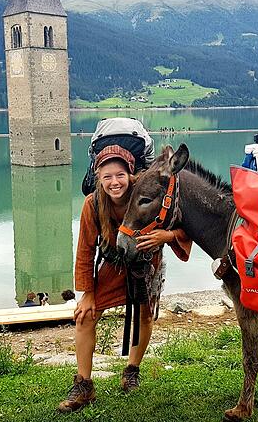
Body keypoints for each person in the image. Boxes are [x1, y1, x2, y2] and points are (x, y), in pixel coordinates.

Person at [58, 145, 192, 413]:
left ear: (131, 174)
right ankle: (84, 385)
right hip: (111, 265)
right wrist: (87, 293)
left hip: (145, 264)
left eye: (119, 175)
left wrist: (169, 236)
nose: (114, 182)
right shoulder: (92, 204)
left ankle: (132, 370)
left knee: (145, 316)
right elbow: (85, 249)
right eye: (106, 177)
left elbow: (182, 221)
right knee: (85, 316)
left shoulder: (147, 190)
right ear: (98, 177)